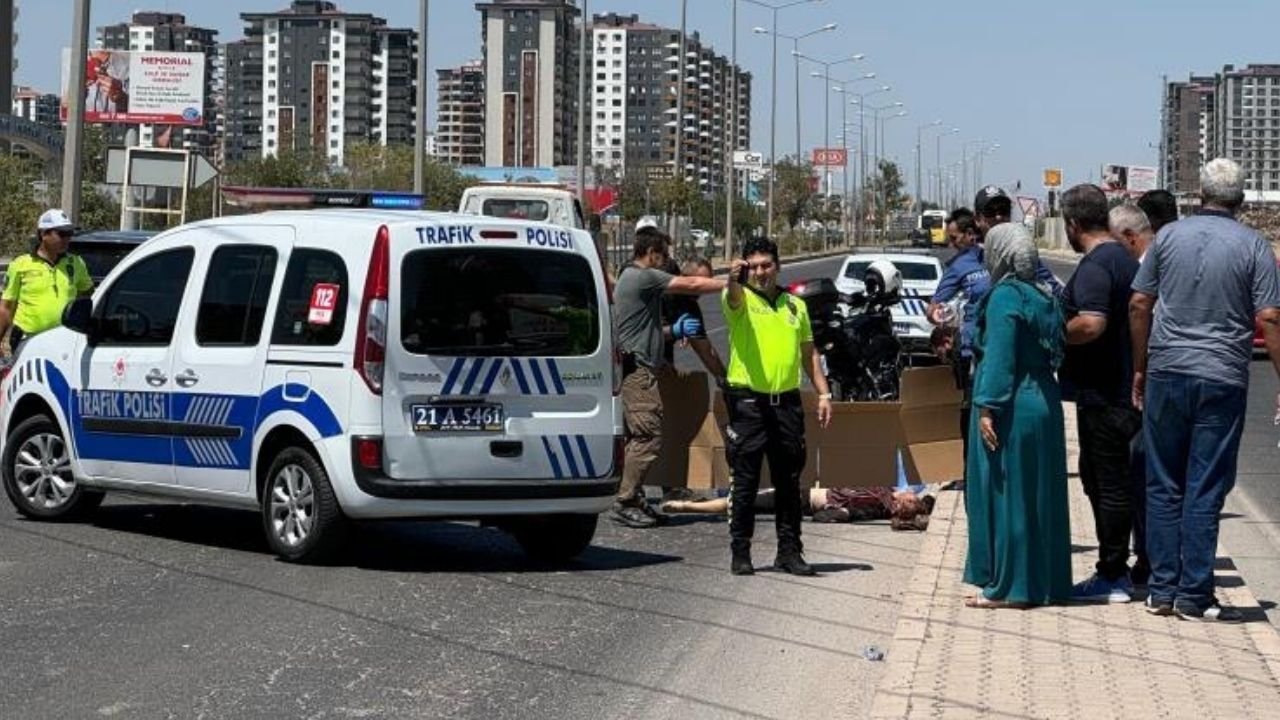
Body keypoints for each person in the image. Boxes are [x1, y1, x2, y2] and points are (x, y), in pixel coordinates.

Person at [1130, 158, 1280, 622]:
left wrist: (1141, 366)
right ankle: (1195, 595)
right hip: (1222, 375)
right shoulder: (1254, 246)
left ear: (1200, 196)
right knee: (1205, 484)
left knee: (1164, 481)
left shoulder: (1168, 238)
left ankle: (1161, 590)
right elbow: (1270, 317)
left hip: (1168, 370)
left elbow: (1139, 302)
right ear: (1239, 200)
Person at [962, 223, 1072, 609]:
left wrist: (987, 407)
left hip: (1012, 405)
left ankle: (1010, 587)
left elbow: (1000, 356)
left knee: (1008, 493)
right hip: (1044, 401)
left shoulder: (1004, 297)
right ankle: (1047, 583)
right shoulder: (1043, 295)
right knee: (1041, 495)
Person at [723, 237, 833, 576]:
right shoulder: (739, 299)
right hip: (749, 404)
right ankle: (740, 552)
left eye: (765, 265)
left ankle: (789, 551)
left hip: (786, 404)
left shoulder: (794, 306)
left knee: (789, 482)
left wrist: (824, 393)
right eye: (753, 266)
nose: (760, 272)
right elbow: (734, 294)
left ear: (777, 266)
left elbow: (809, 354)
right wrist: (733, 278)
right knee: (746, 481)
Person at [1059, 184, 1142, 604]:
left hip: (1105, 395)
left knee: (1107, 483)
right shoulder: (1125, 259)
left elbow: (1091, 323)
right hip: (1124, 389)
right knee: (1108, 480)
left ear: (1072, 224)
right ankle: (1129, 566)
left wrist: (1053, 334)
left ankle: (1113, 573)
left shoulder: (1095, 266)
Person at [613, 226, 726, 529]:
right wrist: (731, 284)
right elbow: (690, 284)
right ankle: (625, 499)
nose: (665, 262)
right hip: (638, 371)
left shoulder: (632, 277)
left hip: (643, 366)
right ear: (651, 253)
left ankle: (635, 498)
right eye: (662, 254)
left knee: (644, 432)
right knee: (647, 435)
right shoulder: (644, 276)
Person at [929, 209, 988, 456]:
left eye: (954, 239)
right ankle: (969, 471)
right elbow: (934, 306)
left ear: (970, 235)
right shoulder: (957, 266)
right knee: (973, 411)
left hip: (1003, 346)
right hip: (973, 352)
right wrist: (940, 317)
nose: (951, 244)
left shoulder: (996, 255)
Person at [0, 210, 94, 353]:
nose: (67, 239)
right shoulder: (20, 265)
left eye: (70, 234)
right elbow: (6, 309)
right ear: (44, 234)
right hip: (27, 342)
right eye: (62, 234)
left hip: (64, 343)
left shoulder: (76, 263)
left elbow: (87, 295)